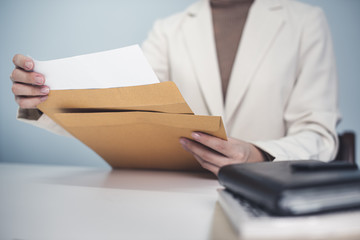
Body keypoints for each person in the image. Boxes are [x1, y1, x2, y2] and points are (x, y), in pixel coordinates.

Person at [10, 0, 340, 175]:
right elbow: (127, 112)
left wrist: (256, 154)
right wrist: (42, 99)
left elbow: (320, 135)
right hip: (176, 195)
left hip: (265, 197)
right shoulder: (169, 29)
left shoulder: (306, 21)